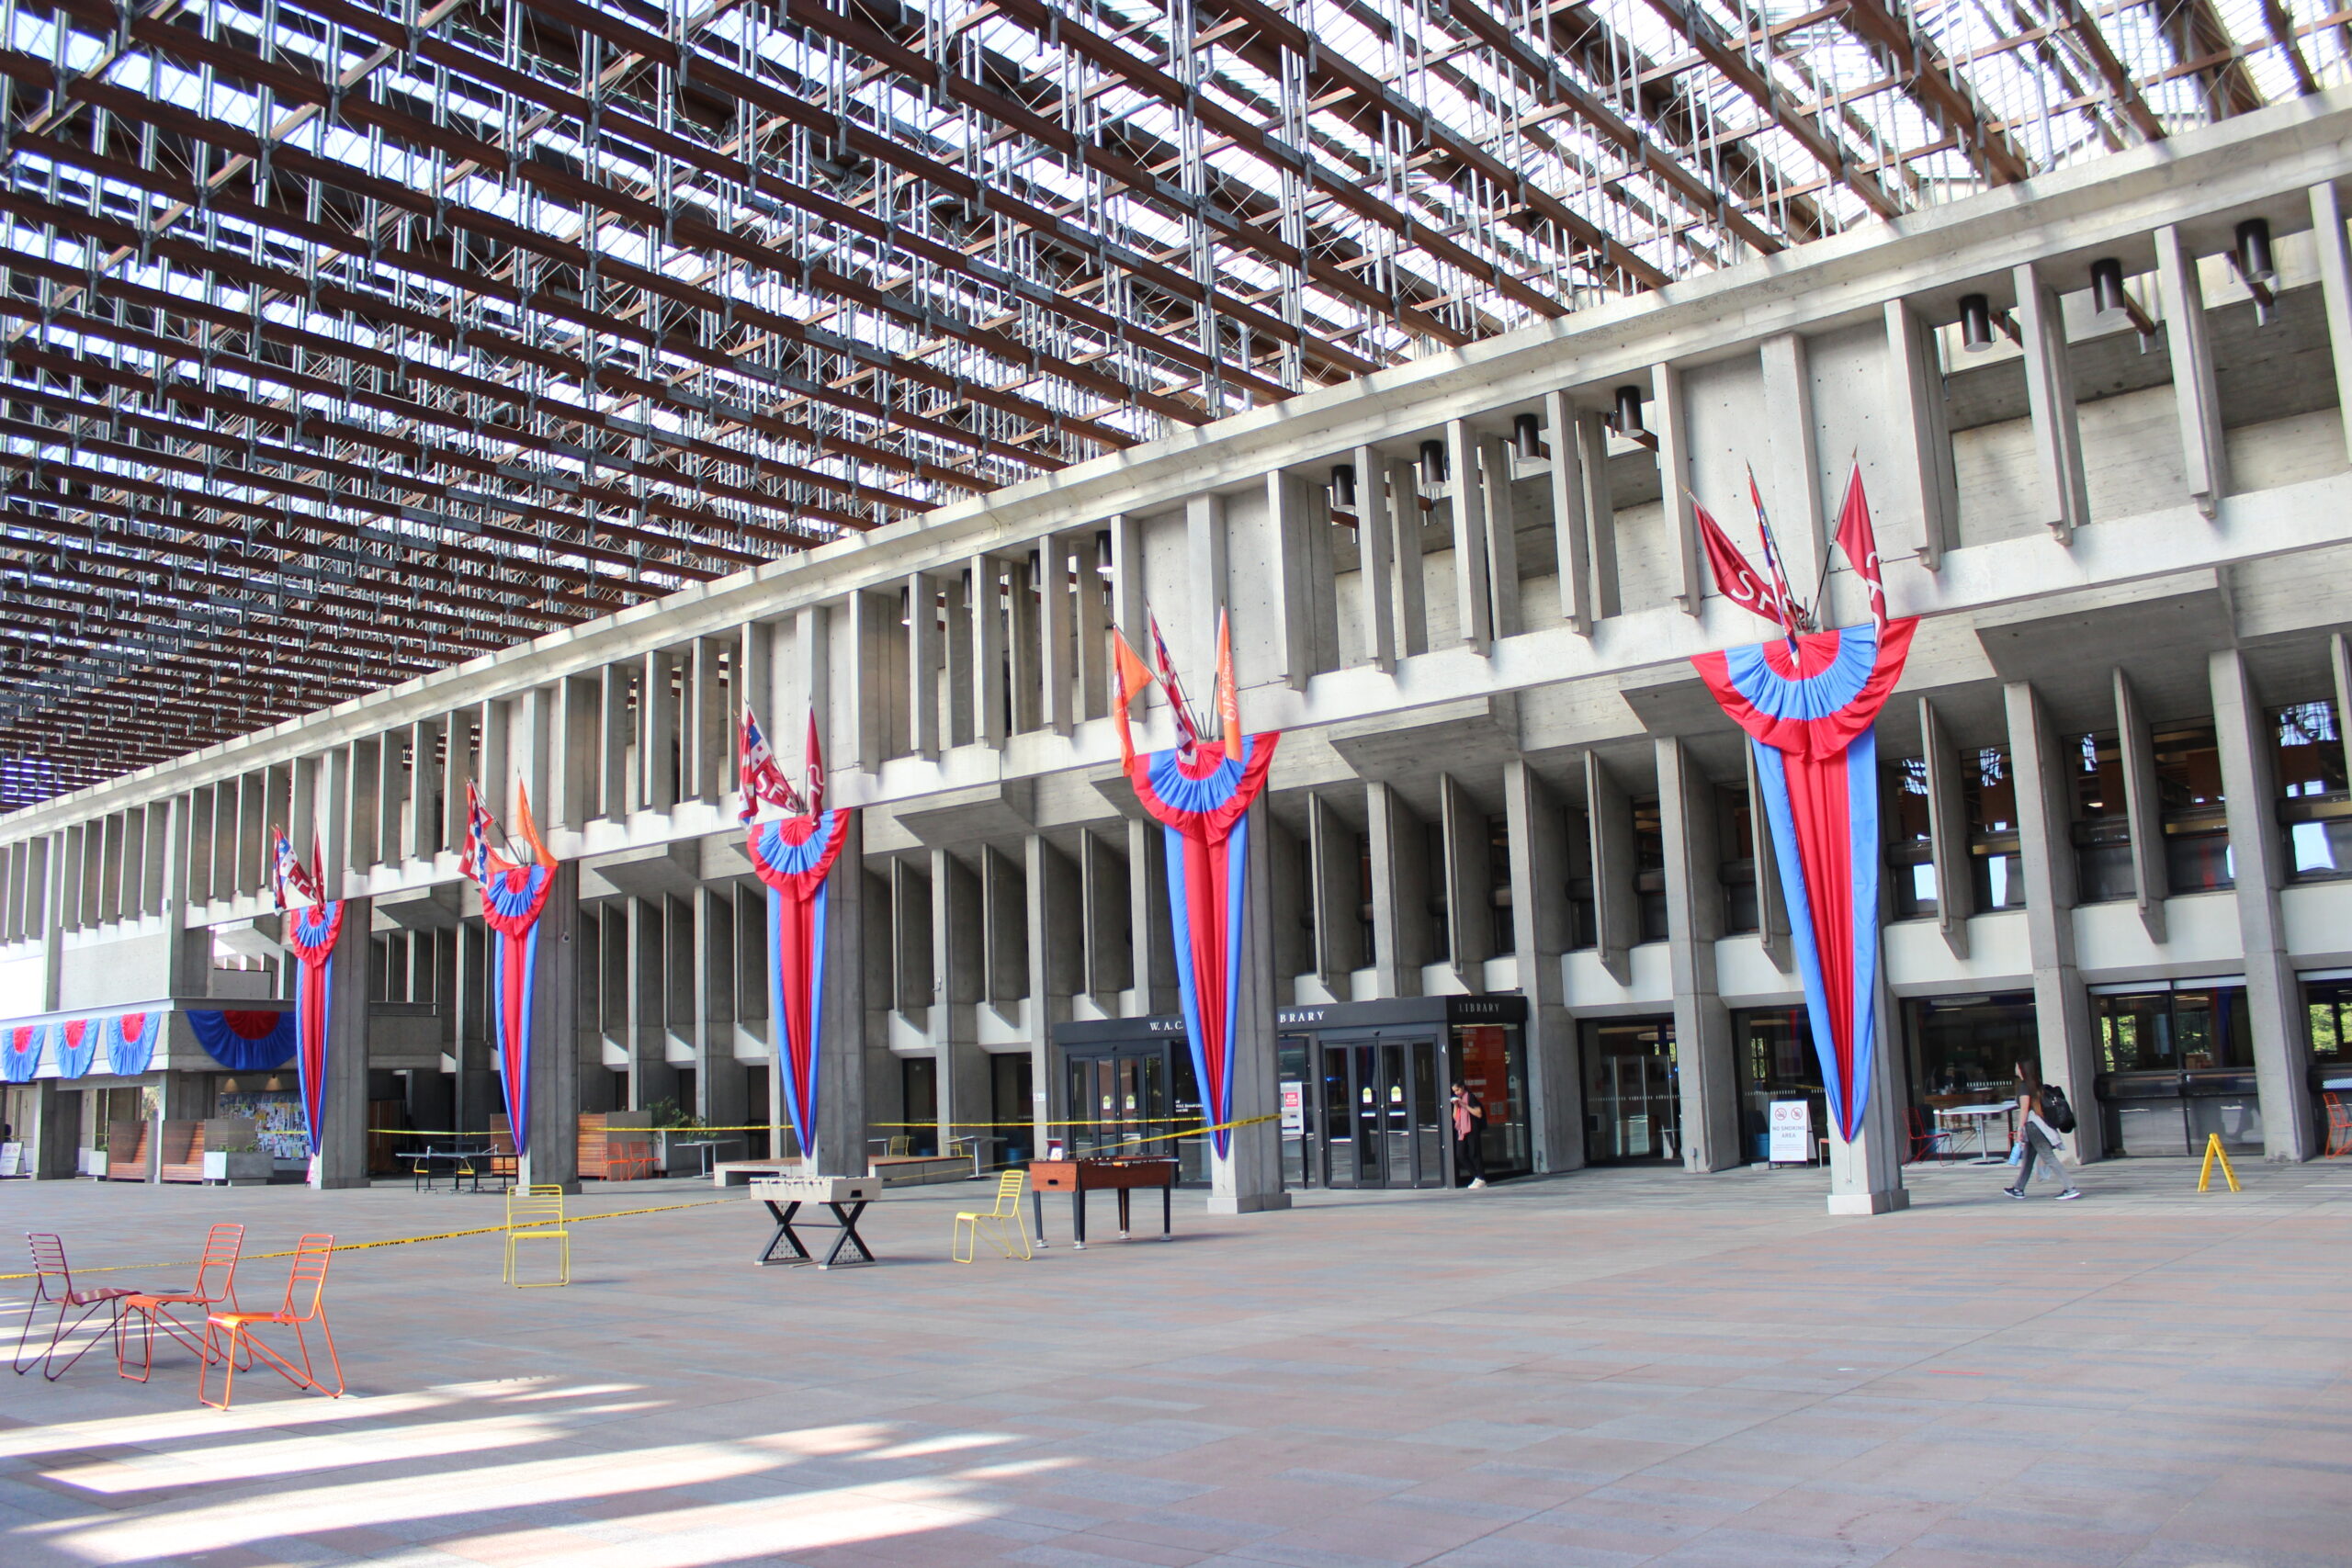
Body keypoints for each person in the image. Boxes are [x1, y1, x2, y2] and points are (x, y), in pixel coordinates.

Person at [2003, 1059, 2081, 1201]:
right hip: (2038, 1126)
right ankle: (2018, 1188)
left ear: (2021, 1070)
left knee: (2048, 1156)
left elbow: (2025, 1109)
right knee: (2028, 1158)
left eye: (2017, 1066)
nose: (2015, 1069)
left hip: (2032, 1126)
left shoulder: (2024, 1086)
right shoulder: (2035, 1084)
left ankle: (2070, 1187)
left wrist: (2020, 1129)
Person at [1451, 1080, 1487, 1190]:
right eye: (1454, 1091)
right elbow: (1455, 1117)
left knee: (1474, 1153)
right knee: (1460, 1154)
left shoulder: (1470, 1097)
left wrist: (1464, 1105)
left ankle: (1481, 1178)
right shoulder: (1459, 1099)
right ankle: (1477, 1176)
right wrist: (1456, 1105)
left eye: (1458, 1090)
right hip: (1462, 1129)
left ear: (1462, 1087)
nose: (1456, 1093)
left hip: (1472, 1128)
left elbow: (1478, 1113)